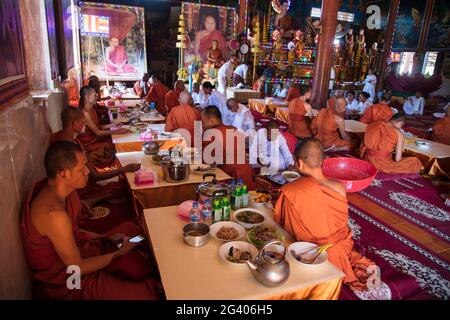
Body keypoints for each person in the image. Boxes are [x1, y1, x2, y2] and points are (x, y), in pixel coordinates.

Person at [21, 141, 161, 299]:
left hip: (76, 250)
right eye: (82, 169)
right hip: (70, 281)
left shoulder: (65, 189)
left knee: (130, 229)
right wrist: (116, 254)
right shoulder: (54, 215)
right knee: (146, 293)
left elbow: (72, 233)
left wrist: (105, 238)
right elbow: (77, 267)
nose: (88, 171)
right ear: (63, 173)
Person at [274, 138, 376, 290]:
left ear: (299, 164)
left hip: (313, 251)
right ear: (324, 161)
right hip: (342, 246)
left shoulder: (293, 190)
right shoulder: (339, 187)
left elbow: (285, 226)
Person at [51, 107, 140, 208]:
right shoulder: (70, 148)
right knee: (124, 188)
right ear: (74, 123)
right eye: (82, 122)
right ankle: (91, 200)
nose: (84, 125)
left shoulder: (61, 137)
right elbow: (95, 176)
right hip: (77, 189)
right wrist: (125, 169)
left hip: (73, 183)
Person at [201, 106, 256, 189]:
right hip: (246, 171)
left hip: (230, 177)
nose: (202, 125)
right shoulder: (233, 129)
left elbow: (207, 162)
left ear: (212, 121)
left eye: (203, 122)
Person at [77, 87, 128, 167]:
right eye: (95, 95)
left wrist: (112, 125)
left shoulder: (91, 109)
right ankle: (119, 166)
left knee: (114, 139)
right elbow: (98, 133)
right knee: (113, 144)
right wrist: (117, 131)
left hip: (95, 138)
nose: (97, 97)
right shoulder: (85, 113)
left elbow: (98, 126)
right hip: (90, 144)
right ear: (87, 97)